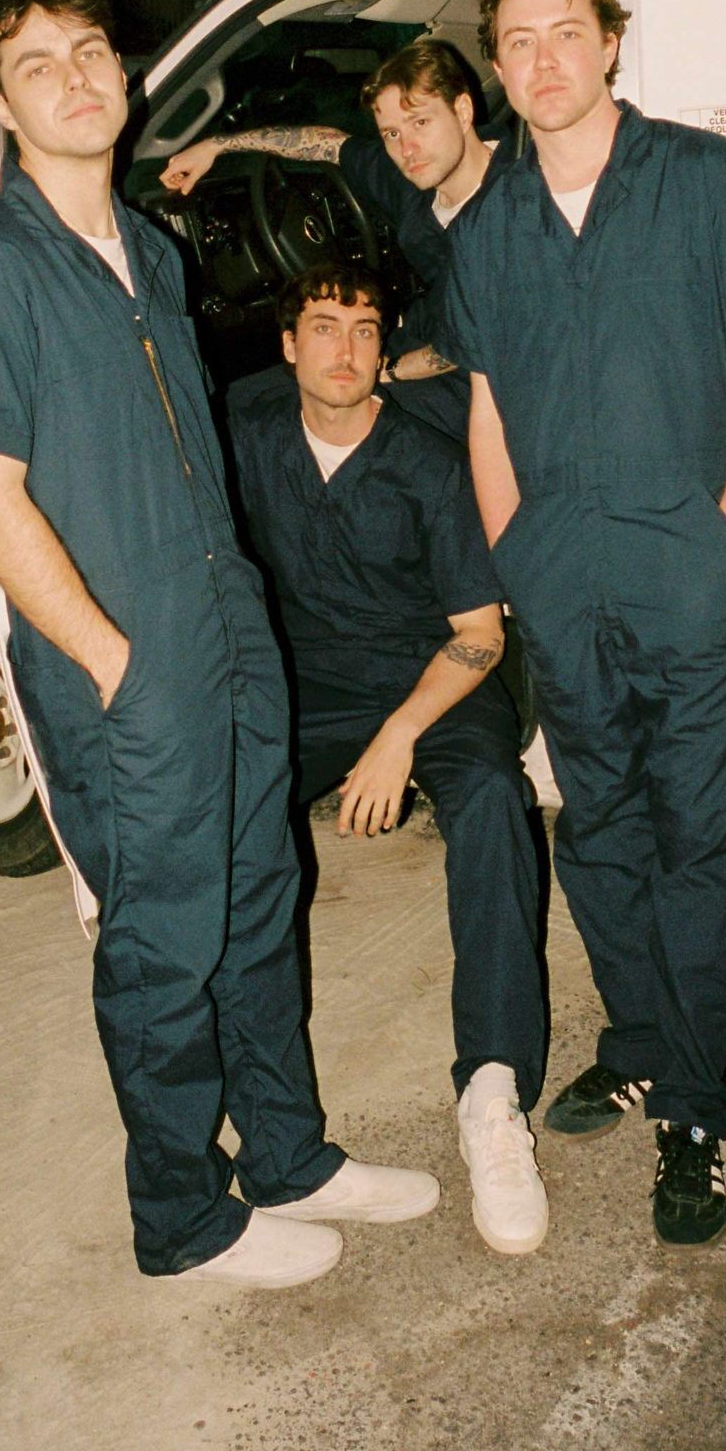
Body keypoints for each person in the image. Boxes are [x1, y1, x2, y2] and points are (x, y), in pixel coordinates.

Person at [0, 0, 439, 1291]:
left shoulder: (150, 250)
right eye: (38, 65)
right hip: (126, 660)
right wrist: (109, 661)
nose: (74, 79)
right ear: (2, 104)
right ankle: (183, 1214)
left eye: (91, 50)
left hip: (228, 630)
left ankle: (289, 1154)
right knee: (162, 940)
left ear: (127, 76)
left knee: (261, 899)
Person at [439, 0, 726, 1247]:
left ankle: (695, 1114)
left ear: (611, 43)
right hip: (563, 588)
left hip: (692, 588)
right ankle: (642, 1042)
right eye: (518, 41)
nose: (544, 59)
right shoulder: (486, 228)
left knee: (706, 842)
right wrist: (517, 558)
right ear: (498, 71)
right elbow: (486, 409)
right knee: (602, 833)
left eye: (566, 32)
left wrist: (720, 546)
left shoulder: (706, 182)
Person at [226, 258, 551, 1256]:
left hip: (433, 677)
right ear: (288, 345)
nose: (346, 350)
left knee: (493, 799)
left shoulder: (426, 460)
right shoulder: (246, 432)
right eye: (324, 327)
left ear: (384, 352)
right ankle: (273, 1130)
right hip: (309, 682)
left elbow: (479, 633)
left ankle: (493, 1094)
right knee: (233, 816)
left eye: (365, 331)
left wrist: (398, 737)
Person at [160, 37, 511, 434]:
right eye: (391, 133)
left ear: (462, 111)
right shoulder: (417, 177)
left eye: (420, 123)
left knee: (282, 427)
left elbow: (467, 343)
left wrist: (385, 371)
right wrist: (217, 146)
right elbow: (329, 145)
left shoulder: (521, 197)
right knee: (242, 401)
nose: (407, 148)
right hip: (419, 336)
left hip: (480, 376)